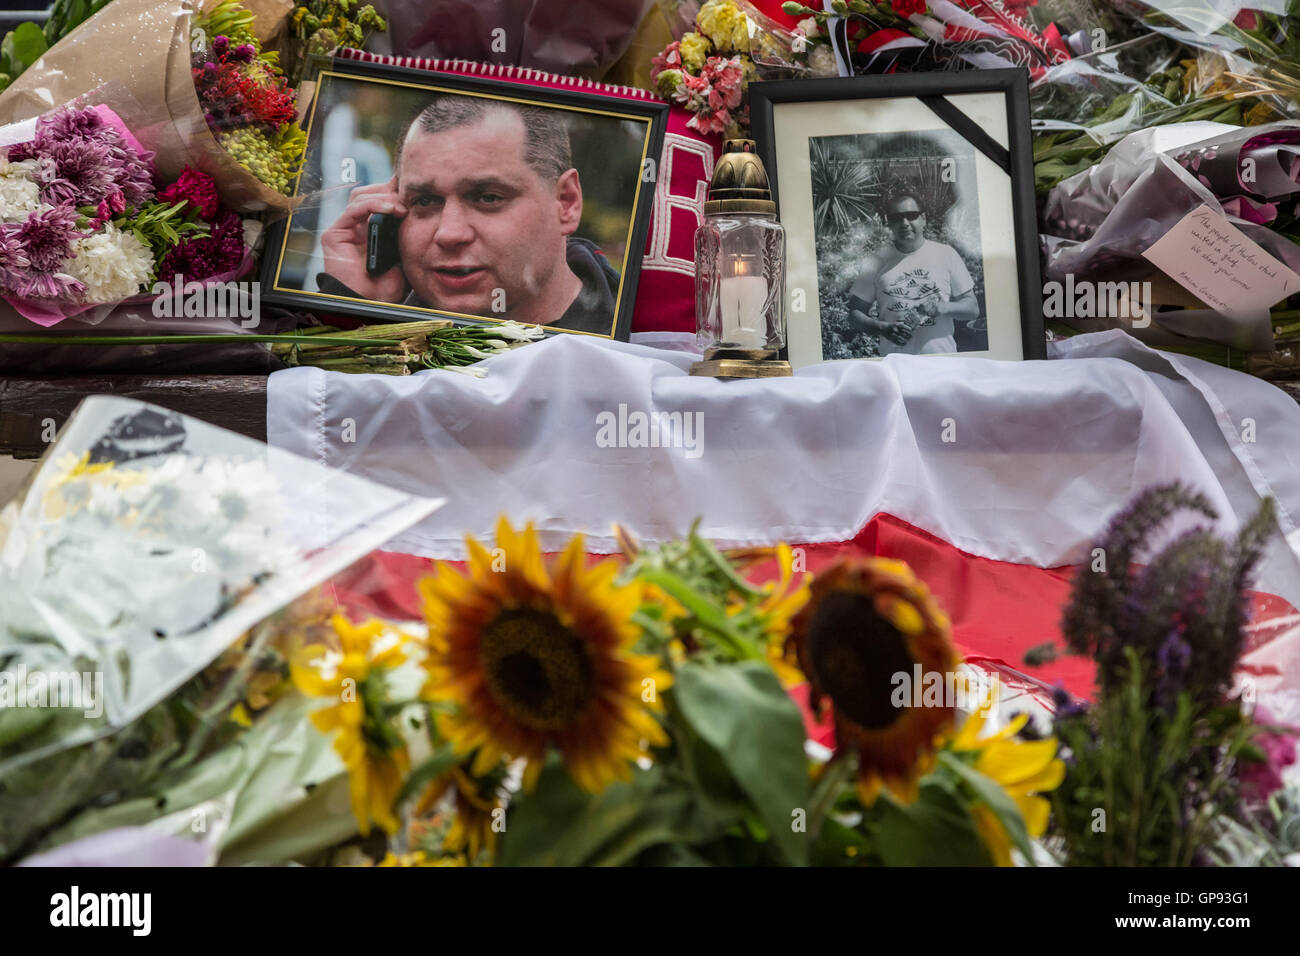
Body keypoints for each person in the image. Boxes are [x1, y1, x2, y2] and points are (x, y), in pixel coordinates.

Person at [316, 95, 620, 334]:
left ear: (566, 203)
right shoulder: (380, 325)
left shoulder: (641, 349)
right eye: (424, 201)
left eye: (488, 197)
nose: (449, 233)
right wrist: (356, 315)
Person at [846, 192, 981, 355]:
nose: (904, 223)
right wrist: (882, 328)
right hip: (895, 364)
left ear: (923, 219)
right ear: (889, 223)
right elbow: (854, 314)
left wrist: (943, 308)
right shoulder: (875, 261)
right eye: (897, 218)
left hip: (942, 362)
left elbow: (972, 308)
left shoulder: (946, 254)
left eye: (911, 216)